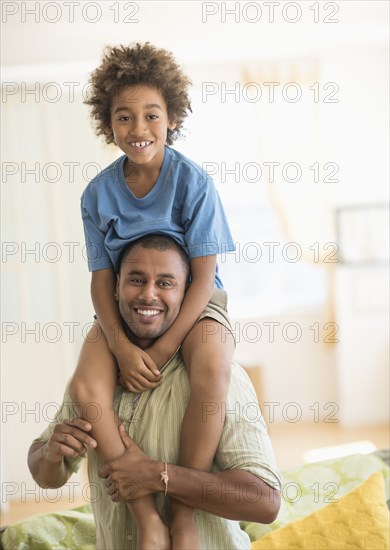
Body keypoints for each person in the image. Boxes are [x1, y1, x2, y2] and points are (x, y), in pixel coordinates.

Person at [68, 42, 236, 549]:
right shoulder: (96, 195)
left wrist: (162, 350)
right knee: (85, 388)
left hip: (194, 304)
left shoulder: (194, 184)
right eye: (124, 117)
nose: (138, 129)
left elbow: (205, 278)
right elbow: (102, 281)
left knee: (211, 369)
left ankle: (184, 512)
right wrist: (121, 346)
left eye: (151, 115)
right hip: (126, 308)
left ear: (172, 119)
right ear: (108, 123)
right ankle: (147, 519)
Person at [28, 235, 282, 550]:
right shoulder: (93, 380)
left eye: (165, 283)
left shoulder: (218, 379)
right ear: (116, 287)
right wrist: (51, 454)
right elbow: (46, 475)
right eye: (137, 280)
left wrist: (158, 476)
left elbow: (265, 501)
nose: (149, 295)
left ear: (186, 294)